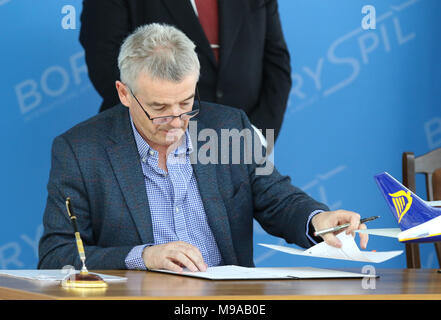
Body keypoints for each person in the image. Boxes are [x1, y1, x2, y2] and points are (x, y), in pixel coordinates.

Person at [38, 24, 367, 272]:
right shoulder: (80, 150)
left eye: (186, 102)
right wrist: (143, 256)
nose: (176, 120)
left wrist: (318, 219)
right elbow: (57, 255)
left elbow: (276, 198)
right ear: (124, 94)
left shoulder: (229, 126)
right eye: (159, 108)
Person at [79, 0, 292, 141]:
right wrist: (169, 131)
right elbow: (107, 64)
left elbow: (276, 61)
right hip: (154, 147)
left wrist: (257, 135)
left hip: (243, 147)